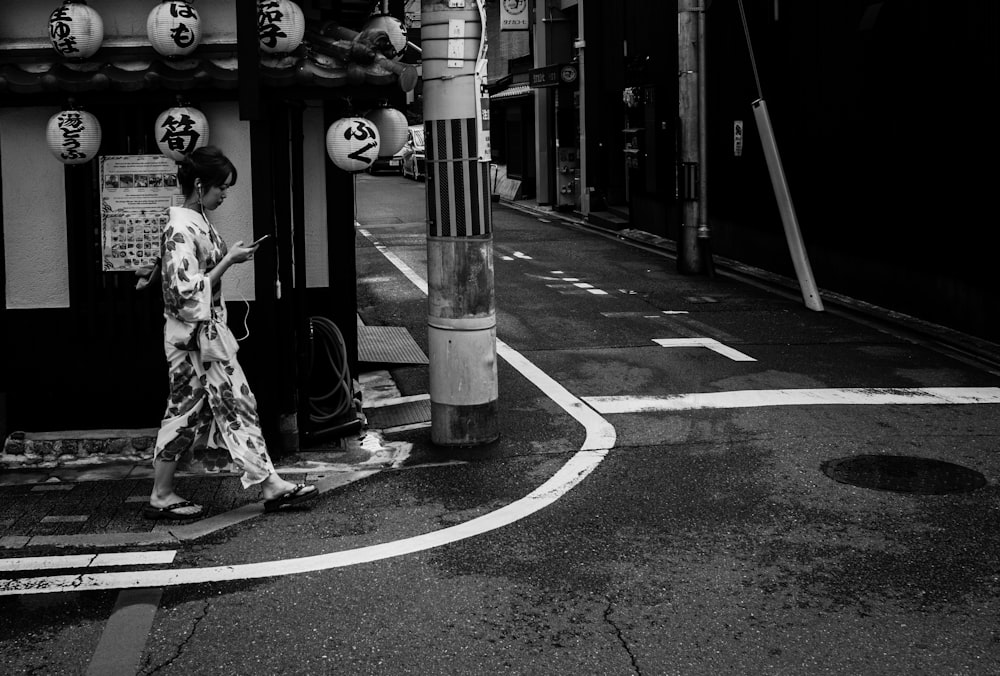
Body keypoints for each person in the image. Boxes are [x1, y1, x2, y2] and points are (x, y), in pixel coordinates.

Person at [140, 146, 316, 520]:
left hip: (201, 337)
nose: (224, 195)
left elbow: (174, 268)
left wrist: (154, 272)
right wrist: (227, 261)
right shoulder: (182, 225)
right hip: (194, 339)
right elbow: (184, 291)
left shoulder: (191, 219)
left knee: (191, 412)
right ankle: (267, 484)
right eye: (221, 188)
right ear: (201, 184)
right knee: (231, 403)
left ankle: (164, 492)